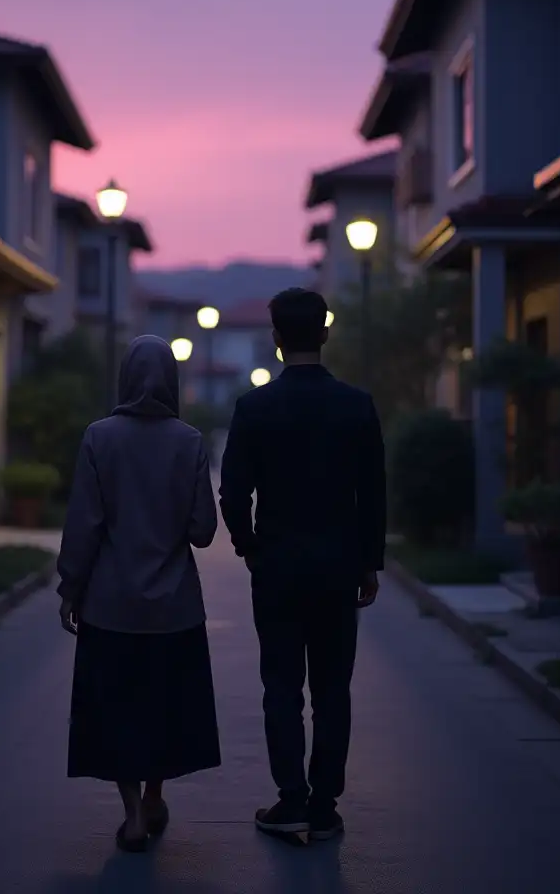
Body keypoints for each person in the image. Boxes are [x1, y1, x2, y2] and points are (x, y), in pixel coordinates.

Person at [219, 287, 386, 842]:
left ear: (275, 338)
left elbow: (234, 492)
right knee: (333, 689)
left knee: (282, 686)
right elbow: (374, 494)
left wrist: (249, 547)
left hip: (279, 569)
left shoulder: (254, 408)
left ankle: (290, 798)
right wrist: (369, 563)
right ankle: (325, 804)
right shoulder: (357, 405)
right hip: (339, 566)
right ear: (325, 332)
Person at [56, 335, 221, 853]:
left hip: (111, 605)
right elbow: (202, 531)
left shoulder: (98, 438)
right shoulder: (190, 441)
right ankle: (154, 796)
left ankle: (131, 816)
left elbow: (84, 524)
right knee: (164, 709)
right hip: (174, 608)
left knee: (118, 710)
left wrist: (70, 588)